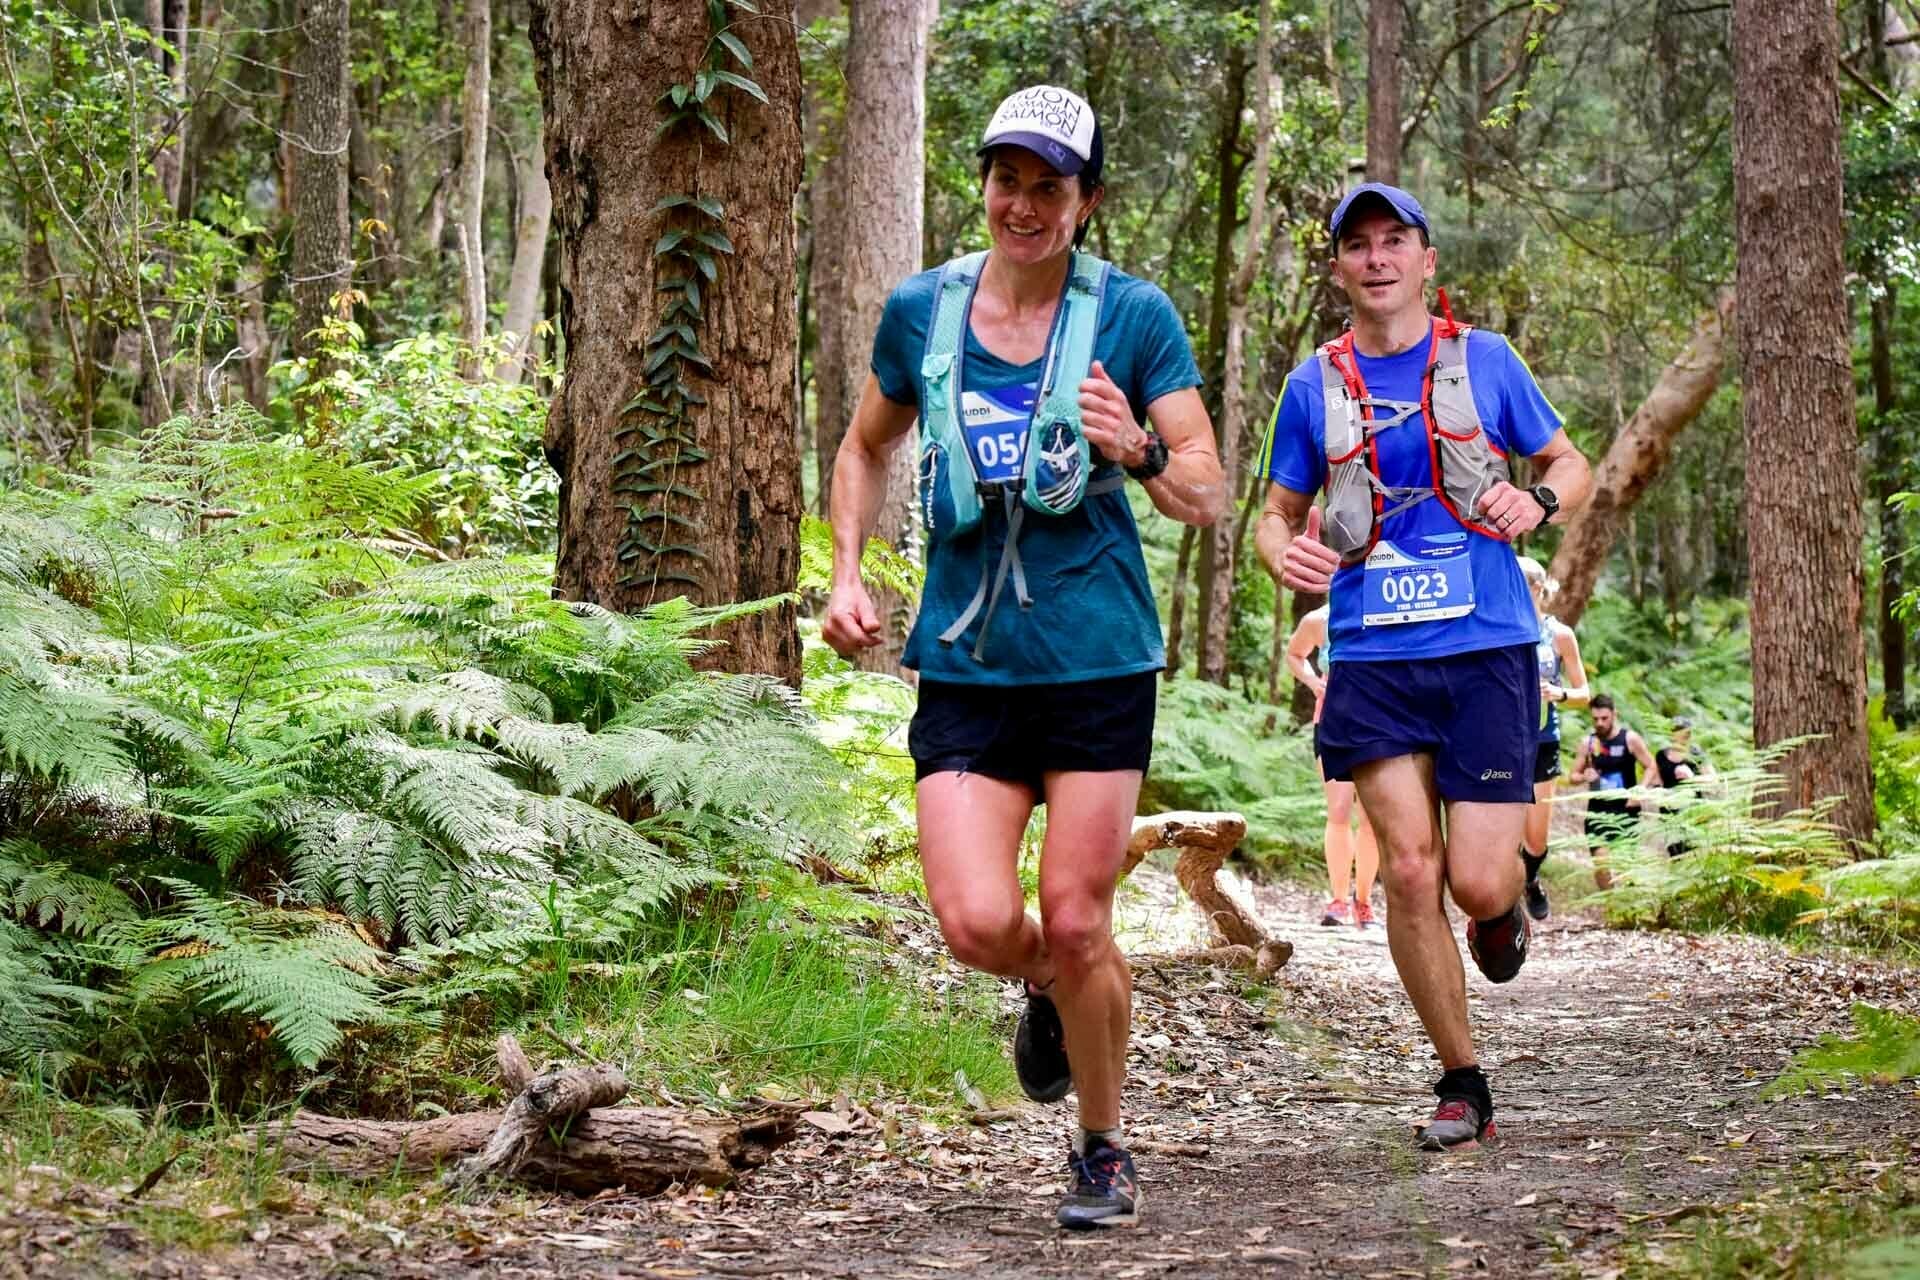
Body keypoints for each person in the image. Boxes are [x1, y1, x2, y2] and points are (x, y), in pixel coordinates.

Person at [823, 84, 1224, 1231]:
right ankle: (1053, 984)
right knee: (975, 923)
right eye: (1008, 180)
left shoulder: (1134, 319)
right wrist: (849, 572)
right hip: (965, 665)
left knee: (1080, 909)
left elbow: (1205, 490)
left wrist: (1138, 444)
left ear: (1086, 201)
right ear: (985, 186)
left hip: (1096, 662)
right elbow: (864, 447)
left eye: (1051, 185)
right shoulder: (923, 313)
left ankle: (1102, 1143)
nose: (1024, 204)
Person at [1253, 182, 1591, 1151]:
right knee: (1407, 868)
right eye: (1356, 244)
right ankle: (1461, 1078)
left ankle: (1499, 914)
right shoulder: (1312, 384)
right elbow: (1274, 516)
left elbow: (1571, 463)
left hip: (1485, 644)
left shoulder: (1485, 360)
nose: (1376, 257)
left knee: (1479, 881)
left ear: (1425, 259)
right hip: (1373, 653)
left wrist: (1540, 503)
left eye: (1393, 239)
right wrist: (1285, 553)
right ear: (1338, 270)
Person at [1285, 603, 1382, 929]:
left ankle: (1364, 902)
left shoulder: (1382, 609)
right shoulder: (1318, 621)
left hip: (1379, 726)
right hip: (1331, 723)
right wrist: (1313, 683)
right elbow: (1294, 654)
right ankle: (1339, 900)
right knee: (1339, 810)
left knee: (1371, 817)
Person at [1516, 558, 1589, 920]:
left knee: (1536, 838)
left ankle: (1530, 879)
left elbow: (1584, 693)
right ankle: (1502, 900)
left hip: (1544, 738)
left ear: (1536, 589)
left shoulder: (1559, 635)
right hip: (1504, 739)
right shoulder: (1499, 627)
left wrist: (1557, 694)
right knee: (1502, 828)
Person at [1569, 695, 1660, 888]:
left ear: (1614, 714)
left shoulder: (1630, 739)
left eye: (1604, 718)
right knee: (1601, 862)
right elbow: (1572, 777)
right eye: (1595, 719)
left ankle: (1629, 911)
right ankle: (1610, 908)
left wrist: (1640, 791)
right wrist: (1585, 776)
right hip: (1597, 810)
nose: (1599, 723)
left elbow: (1651, 766)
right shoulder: (1588, 743)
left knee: (1626, 863)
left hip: (1625, 809)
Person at [1653, 716, 1713, 856]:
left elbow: (1712, 779)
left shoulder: (1696, 754)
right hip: (1669, 812)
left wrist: (1692, 777)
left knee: (1693, 853)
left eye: (1682, 730)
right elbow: (1658, 781)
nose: (1679, 734)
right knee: (1675, 853)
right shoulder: (1661, 755)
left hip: (1693, 811)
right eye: (1675, 730)